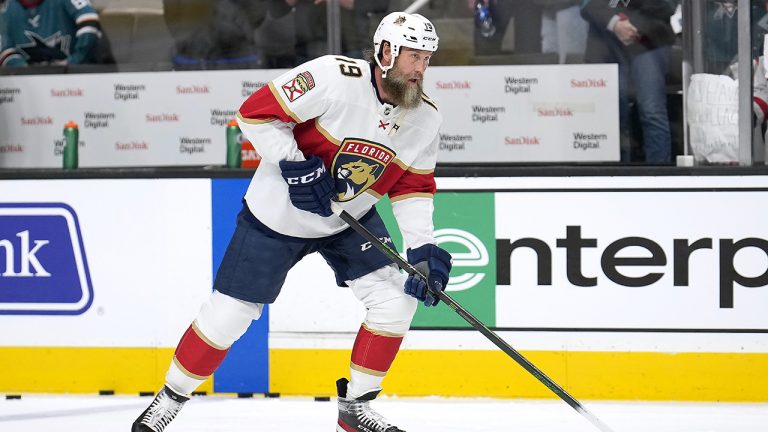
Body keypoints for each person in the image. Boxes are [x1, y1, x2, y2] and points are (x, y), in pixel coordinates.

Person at [131, 11, 451, 432]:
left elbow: (411, 188)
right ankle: (170, 397)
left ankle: (355, 408)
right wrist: (294, 164)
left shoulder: (425, 117)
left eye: (428, 58)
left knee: (396, 299)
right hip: (276, 216)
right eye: (414, 56)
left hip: (345, 222)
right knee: (229, 314)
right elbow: (254, 112)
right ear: (386, 52)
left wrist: (422, 248)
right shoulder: (332, 78)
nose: (421, 68)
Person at [581, 0, 677, 164]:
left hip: (648, 42)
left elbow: (667, 6)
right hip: (606, 47)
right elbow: (587, 5)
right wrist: (615, 23)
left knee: (651, 111)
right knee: (612, 115)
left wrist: (630, 22)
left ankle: (658, 178)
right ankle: (613, 178)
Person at [0, 0, 103, 67]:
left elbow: (90, 24)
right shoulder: (6, 9)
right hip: (31, 88)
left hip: (82, 80)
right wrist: (26, 71)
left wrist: (75, 62)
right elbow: (5, 50)